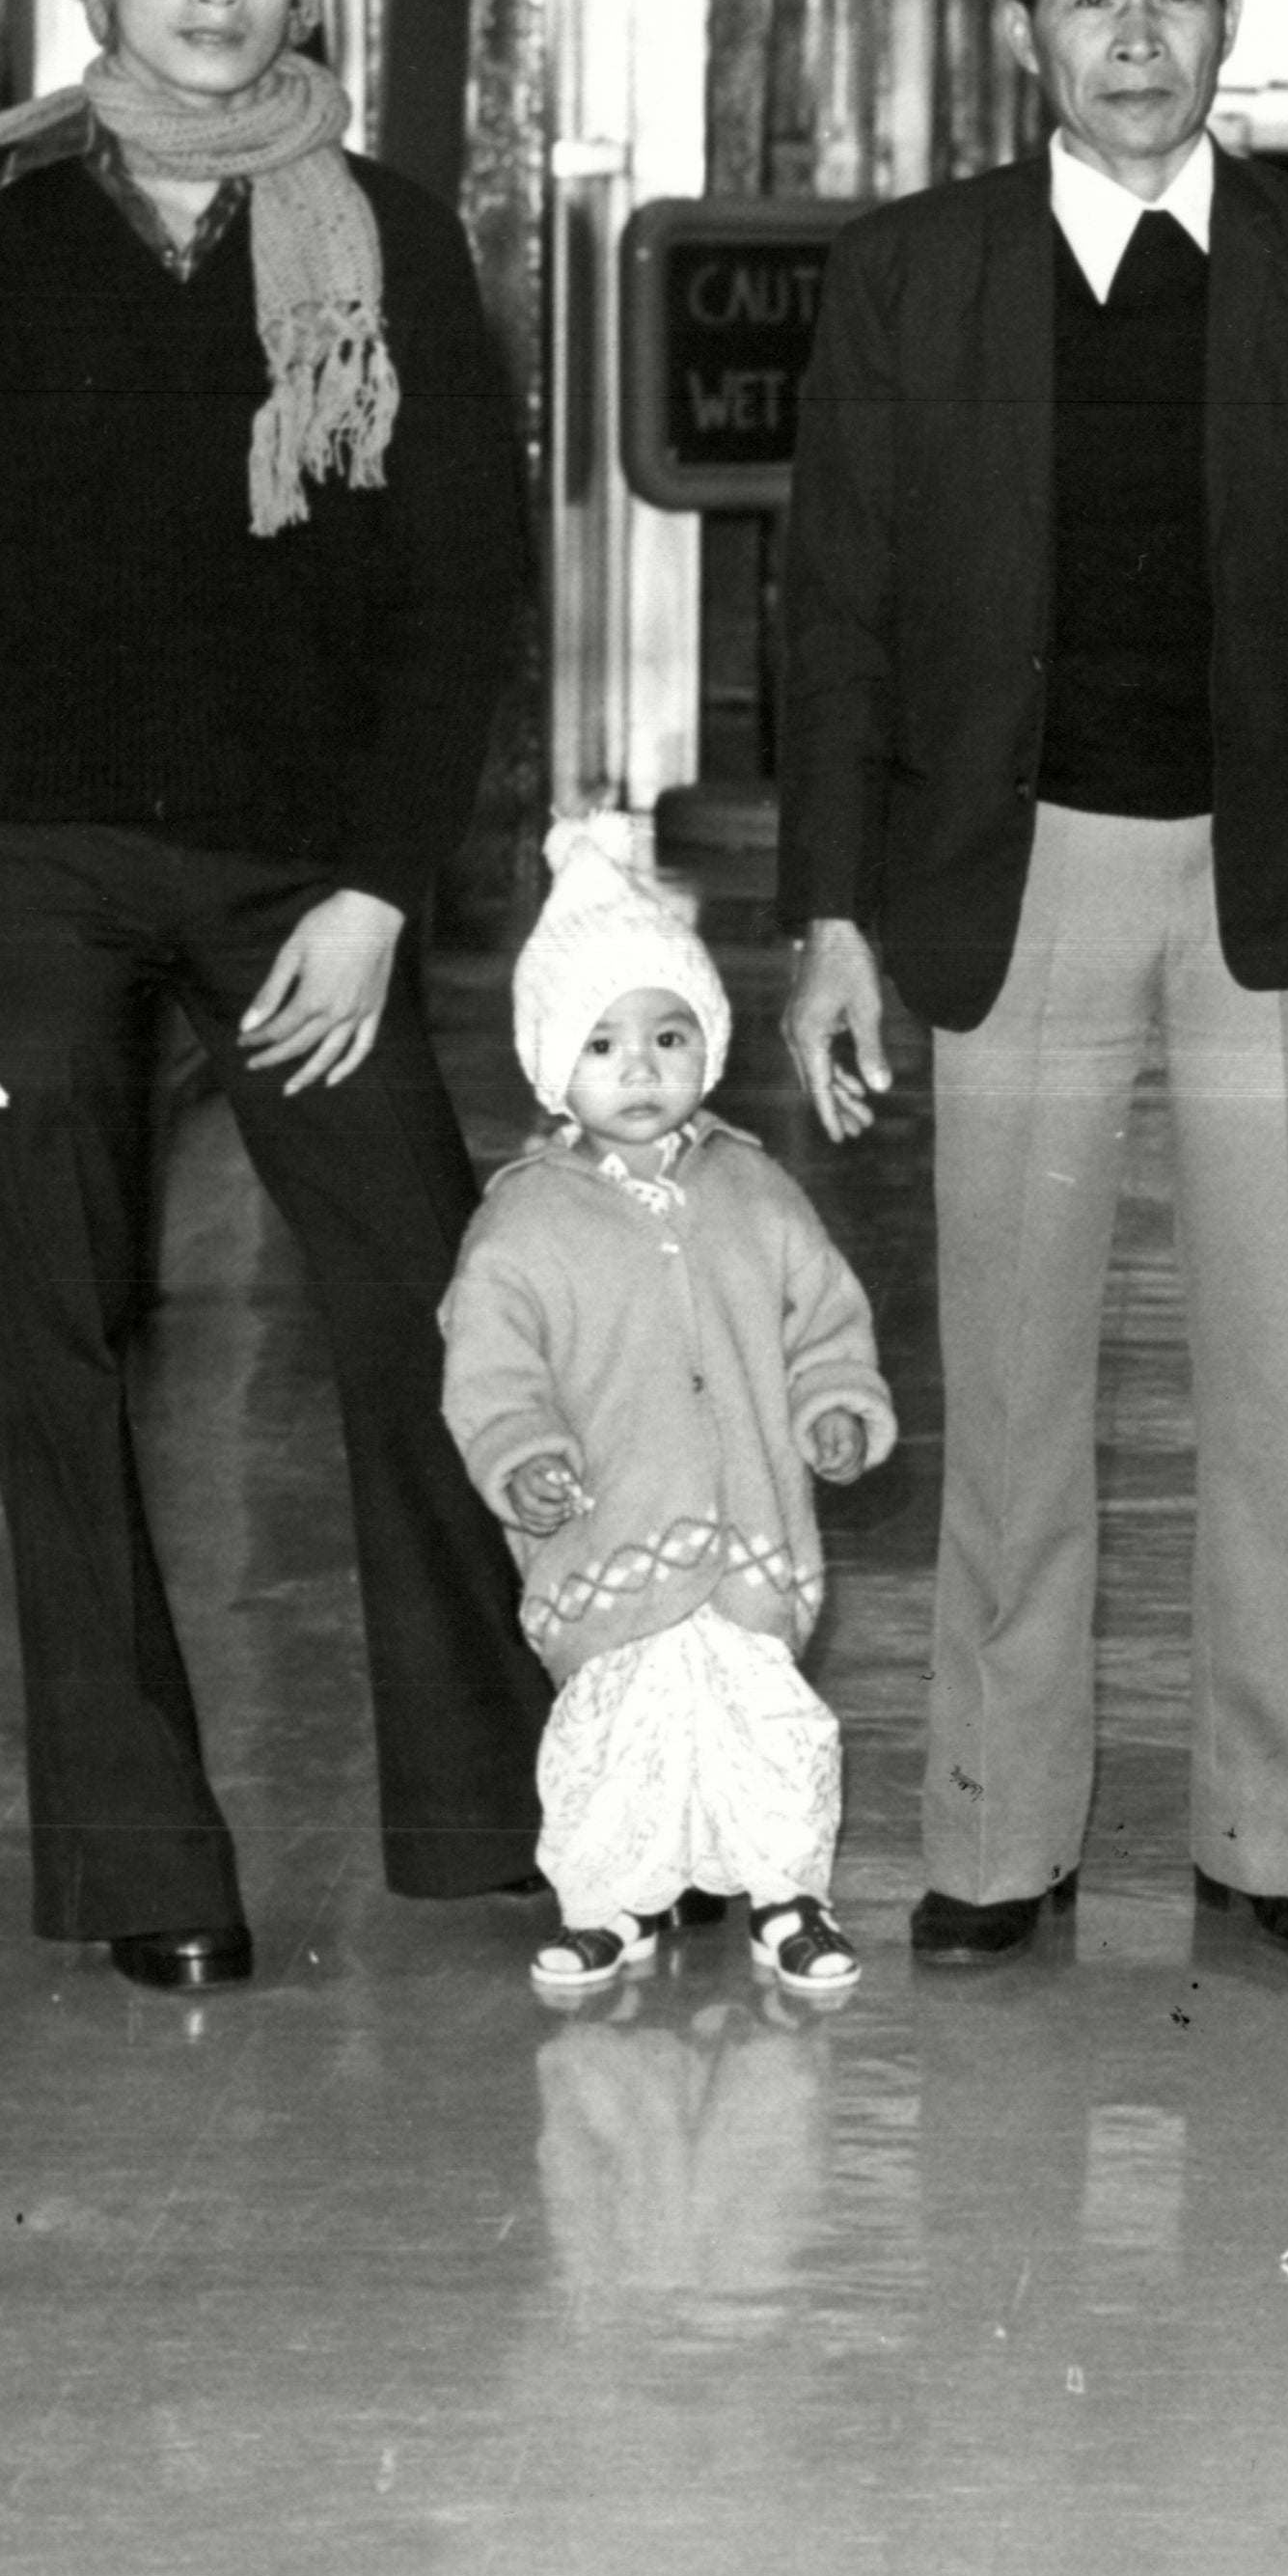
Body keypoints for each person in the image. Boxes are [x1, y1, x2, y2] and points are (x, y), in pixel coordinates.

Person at [0, 0, 554, 1993]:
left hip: (296, 877)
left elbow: (455, 593)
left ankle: (489, 1807)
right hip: (24, 859)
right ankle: (144, 1862)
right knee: (54, 1333)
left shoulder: (387, 236)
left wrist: (380, 889)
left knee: (425, 1305)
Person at [776, 0, 1288, 1970]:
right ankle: (994, 1834)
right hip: (1017, 872)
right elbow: (840, 617)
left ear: (1228, 19)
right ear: (1025, 33)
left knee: (1272, 1378)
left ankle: (1273, 1831)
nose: (1135, 34)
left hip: (1277, 881)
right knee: (1017, 1376)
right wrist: (828, 915)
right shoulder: (915, 275)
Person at [443, 821, 894, 1997]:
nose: (639, 1068)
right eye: (602, 1044)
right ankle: (605, 1907)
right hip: (607, 1529)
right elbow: (490, 1372)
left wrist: (835, 1401)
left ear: (711, 1044)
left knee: (764, 1725)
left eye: (667, 1036)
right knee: (617, 1738)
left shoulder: (756, 1188)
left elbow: (823, 1317)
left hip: (749, 1521)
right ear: (552, 1067)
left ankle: (789, 1898)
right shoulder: (523, 1225)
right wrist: (523, 1454)